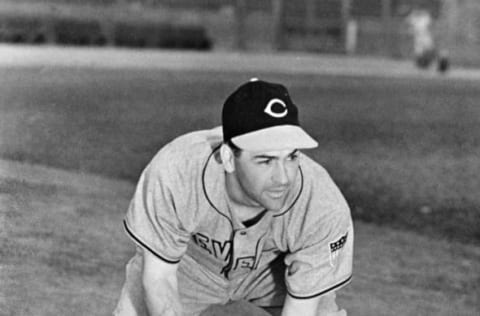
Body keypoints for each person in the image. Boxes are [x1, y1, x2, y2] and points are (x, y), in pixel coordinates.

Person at [114, 78, 354, 316]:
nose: (283, 177)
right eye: (266, 160)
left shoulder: (322, 205)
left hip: (272, 273)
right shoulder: (177, 170)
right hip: (190, 265)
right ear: (229, 158)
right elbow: (160, 280)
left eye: (291, 157)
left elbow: (302, 311)